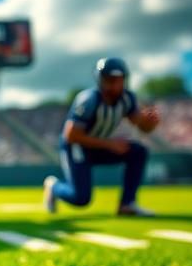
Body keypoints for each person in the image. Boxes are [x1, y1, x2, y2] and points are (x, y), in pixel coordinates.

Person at [44, 57, 161, 216]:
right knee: (81, 198)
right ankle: (54, 186)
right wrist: (110, 144)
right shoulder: (88, 100)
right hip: (77, 147)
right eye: (109, 80)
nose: (114, 85)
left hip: (99, 146)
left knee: (138, 151)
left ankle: (127, 204)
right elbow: (71, 135)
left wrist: (150, 123)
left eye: (118, 80)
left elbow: (141, 126)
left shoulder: (128, 99)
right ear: (100, 80)